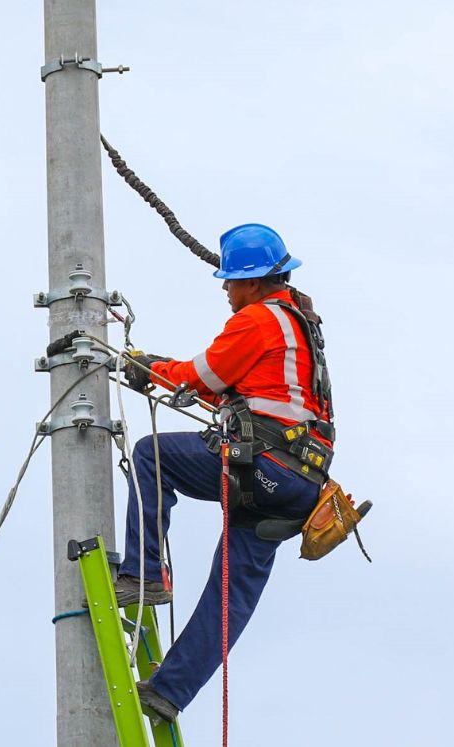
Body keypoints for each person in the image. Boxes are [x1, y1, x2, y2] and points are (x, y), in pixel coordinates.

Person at [114, 223, 335, 722]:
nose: (226, 290)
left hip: (265, 466)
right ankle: (169, 693)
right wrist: (159, 368)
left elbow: (203, 375)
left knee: (152, 455)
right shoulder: (299, 324)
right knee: (229, 598)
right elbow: (223, 387)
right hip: (299, 485)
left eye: (231, 281)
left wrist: (147, 368)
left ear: (254, 282)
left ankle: (145, 575)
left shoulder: (258, 319)